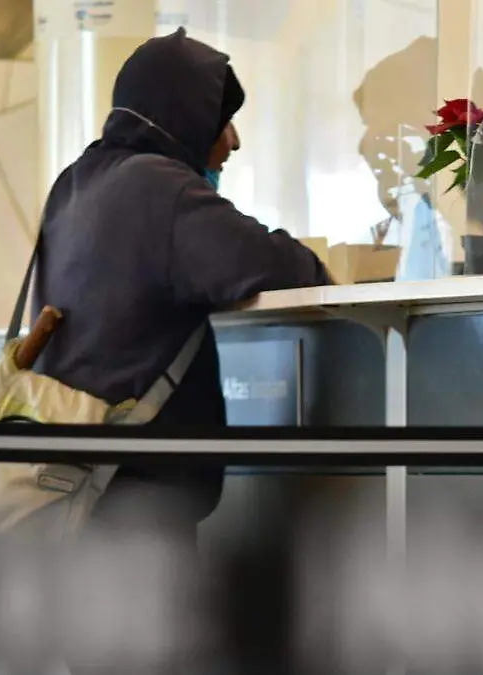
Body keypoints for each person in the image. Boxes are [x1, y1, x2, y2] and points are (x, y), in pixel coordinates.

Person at [32, 29, 329, 555]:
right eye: (221, 120)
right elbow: (273, 265)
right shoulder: (158, 186)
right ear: (183, 119)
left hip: (71, 483)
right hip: (132, 502)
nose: (233, 141)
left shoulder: (75, 181)